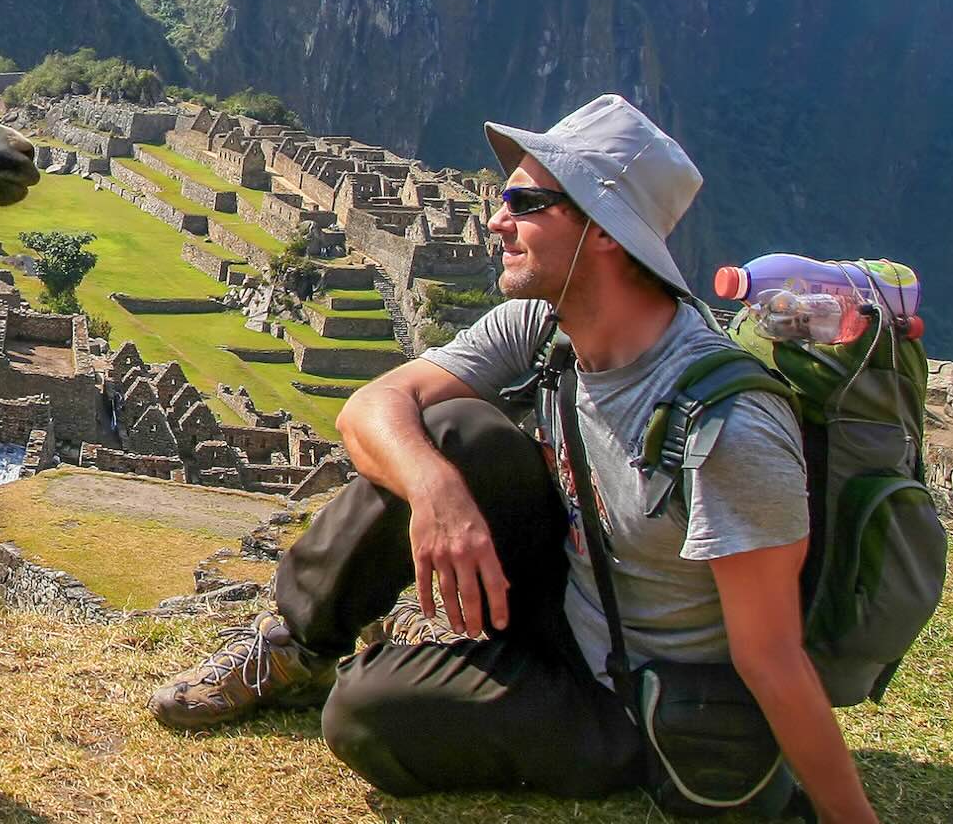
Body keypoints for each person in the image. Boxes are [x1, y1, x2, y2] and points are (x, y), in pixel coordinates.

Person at [147, 95, 877, 821]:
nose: (496, 219)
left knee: (366, 714)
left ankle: (433, 678)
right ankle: (293, 652)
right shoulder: (543, 323)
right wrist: (436, 492)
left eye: (524, 202)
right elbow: (369, 408)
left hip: (634, 698)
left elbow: (772, 659)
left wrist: (848, 815)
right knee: (452, 432)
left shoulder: (727, 424)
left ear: (605, 232)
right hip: (560, 603)